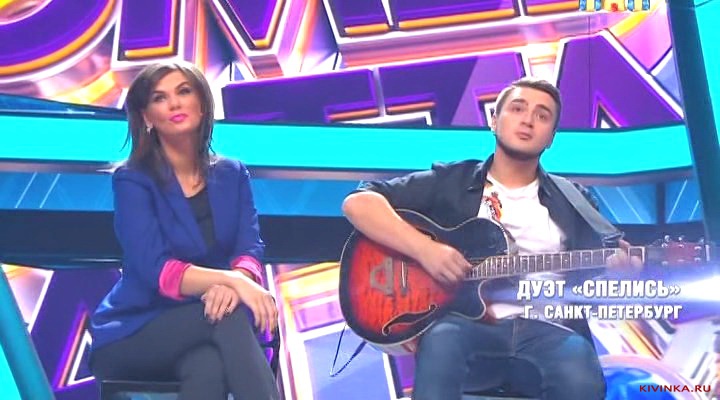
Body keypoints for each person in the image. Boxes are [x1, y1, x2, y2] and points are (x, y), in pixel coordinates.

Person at [342, 77, 641, 400]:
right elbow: (359, 203)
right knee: (442, 340)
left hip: (551, 332)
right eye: (518, 109)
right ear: (494, 121)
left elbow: (596, 281)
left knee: (580, 369)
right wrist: (426, 250)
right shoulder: (452, 181)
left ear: (551, 138)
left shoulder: (576, 200)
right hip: (467, 328)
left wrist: (621, 273)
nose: (528, 120)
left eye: (542, 116)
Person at [89, 62, 280, 400]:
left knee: (208, 365)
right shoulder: (132, 180)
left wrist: (234, 282)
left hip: (207, 320)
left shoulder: (232, 173)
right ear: (147, 117)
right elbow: (156, 269)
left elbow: (249, 246)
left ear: (202, 104)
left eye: (184, 91)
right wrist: (234, 283)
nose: (174, 103)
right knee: (229, 318)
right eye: (159, 98)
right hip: (134, 328)